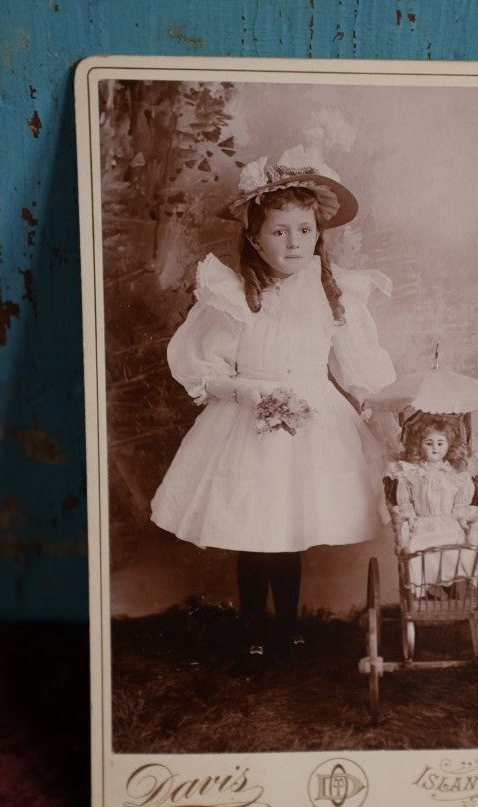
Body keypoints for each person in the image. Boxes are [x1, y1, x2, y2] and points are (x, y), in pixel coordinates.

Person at [150, 145, 396, 671]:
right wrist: (245, 392)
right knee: (254, 531)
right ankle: (254, 626)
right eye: (280, 231)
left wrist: (383, 409)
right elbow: (202, 367)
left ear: (318, 235)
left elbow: (356, 366)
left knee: (289, 532)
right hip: (248, 420)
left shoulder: (334, 293)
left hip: (313, 421)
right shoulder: (233, 292)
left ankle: (288, 626)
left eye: (304, 230)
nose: (294, 242)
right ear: (255, 238)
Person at [387, 417, 478, 594]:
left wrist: (461, 518)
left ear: (448, 446)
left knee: (457, 546)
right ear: (419, 445)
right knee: (417, 546)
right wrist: (410, 517)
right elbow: (404, 499)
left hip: (449, 523)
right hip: (423, 523)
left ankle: (454, 591)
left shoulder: (454, 472)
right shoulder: (412, 471)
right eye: (429, 443)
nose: (434, 448)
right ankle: (426, 591)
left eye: (440, 443)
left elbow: (461, 500)